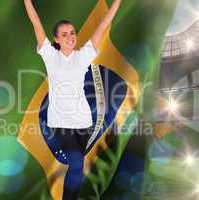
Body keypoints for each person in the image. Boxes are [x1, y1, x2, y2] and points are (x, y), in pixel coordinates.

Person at [24, 0, 121, 199]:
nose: (70, 37)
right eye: (64, 34)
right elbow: (36, 23)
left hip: (83, 123)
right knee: (76, 161)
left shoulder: (83, 55)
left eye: (72, 33)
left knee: (77, 165)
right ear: (56, 39)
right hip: (60, 124)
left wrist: (117, 2)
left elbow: (103, 25)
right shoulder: (50, 55)